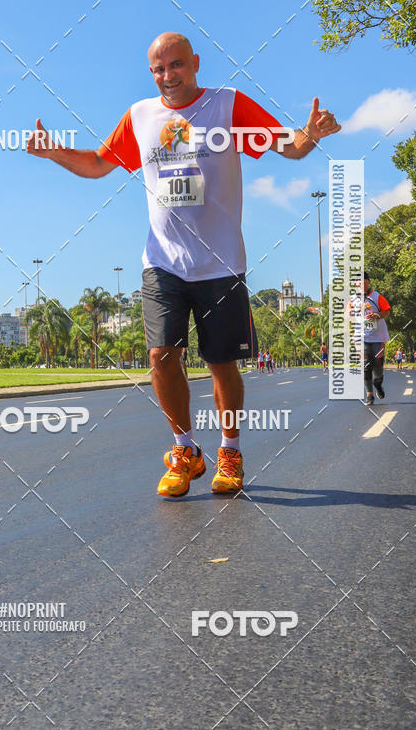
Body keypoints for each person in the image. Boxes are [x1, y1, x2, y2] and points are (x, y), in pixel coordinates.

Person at [27, 32, 340, 496]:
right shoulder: (140, 116)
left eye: (175, 65)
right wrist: (53, 152)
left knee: (222, 364)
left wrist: (310, 134)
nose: (167, 76)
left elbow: (286, 146)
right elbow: (96, 164)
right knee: (160, 356)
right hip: (162, 262)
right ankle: (185, 449)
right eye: (158, 69)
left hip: (221, 263)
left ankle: (230, 452)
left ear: (194, 62)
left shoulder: (228, 105)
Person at [361, 271, 391, 405]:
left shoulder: (376, 297)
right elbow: (347, 314)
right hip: (363, 338)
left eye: (362, 281)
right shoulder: (353, 299)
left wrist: (377, 315)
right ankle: (369, 396)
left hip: (378, 338)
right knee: (366, 367)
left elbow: (387, 312)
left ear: (367, 282)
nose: (359, 284)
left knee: (378, 365)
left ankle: (378, 385)